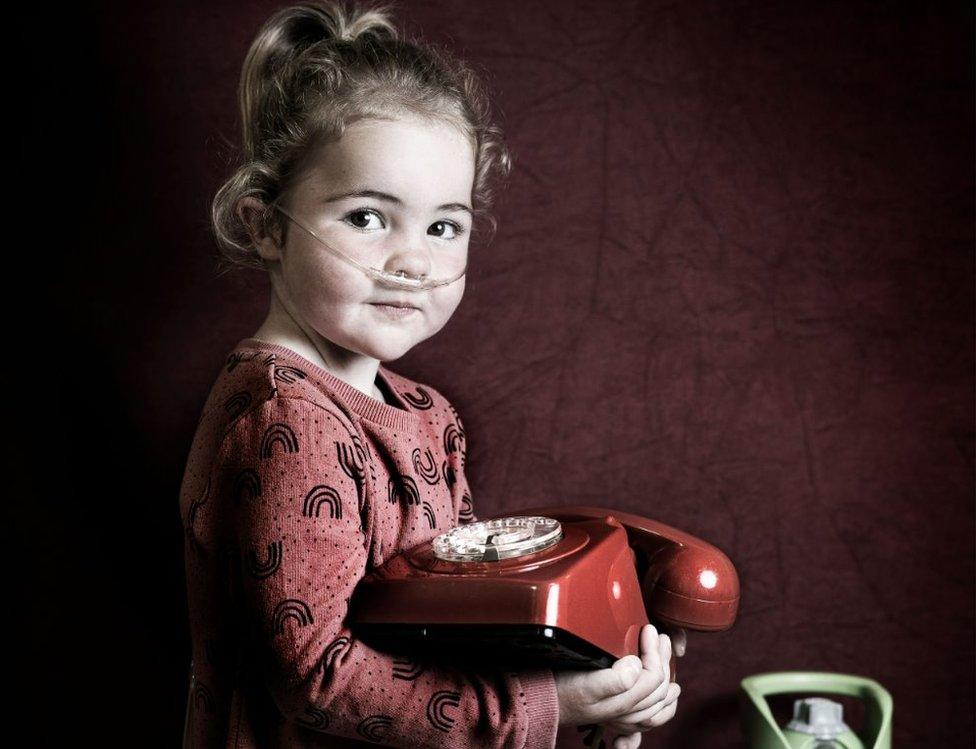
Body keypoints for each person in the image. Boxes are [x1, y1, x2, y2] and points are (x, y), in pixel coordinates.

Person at [179, 2, 684, 748]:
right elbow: (318, 676)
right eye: (367, 217)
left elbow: (450, 632)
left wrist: (599, 686)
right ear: (266, 223)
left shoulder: (424, 411)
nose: (413, 260)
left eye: (443, 226)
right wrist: (548, 709)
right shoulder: (287, 417)